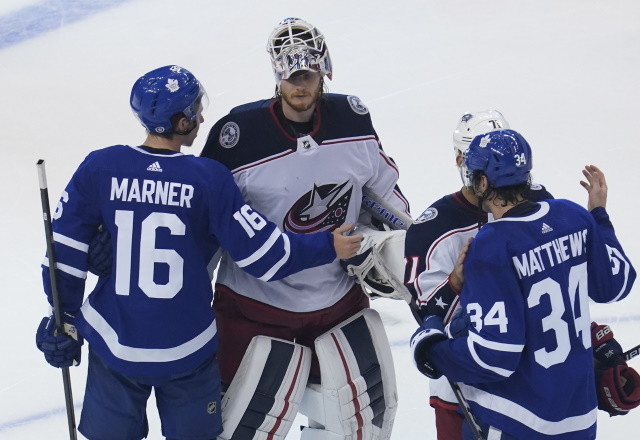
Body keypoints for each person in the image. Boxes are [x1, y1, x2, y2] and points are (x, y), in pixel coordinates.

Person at [35, 65, 363, 440]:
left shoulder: (101, 167)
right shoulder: (207, 178)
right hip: (186, 350)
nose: (202, 116)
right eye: (195, 110)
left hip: (116, 345)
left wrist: (63, 318)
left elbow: (65, 250)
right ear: (179, 120)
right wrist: (327, 245)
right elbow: (263, 256)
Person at [200, 17, 409, 440]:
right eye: (291, 76)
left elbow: (386, 198)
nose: (300, 86)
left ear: (323, 70)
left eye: (308, 75)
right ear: (277, 74)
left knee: (360, 425)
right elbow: (206, 224)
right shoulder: (236, 137)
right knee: (242, 427)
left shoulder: (352, 122)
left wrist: (398, 247)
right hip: (254, 309)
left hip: (337, 305)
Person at [410, 129, 637, 439]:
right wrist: (598, 214)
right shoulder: (572, 214)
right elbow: (616, 284)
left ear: (483, 182)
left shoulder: (490, 245)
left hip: (520, 421)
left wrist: (431, 348)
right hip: (580, 418)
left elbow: (494, 356)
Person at [403, 111, 552, 440]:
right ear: (461, 159)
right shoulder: (433, 228)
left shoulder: (539, 203)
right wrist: (456, 285)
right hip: (464, 394)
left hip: (535, 383)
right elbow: (428, 322)